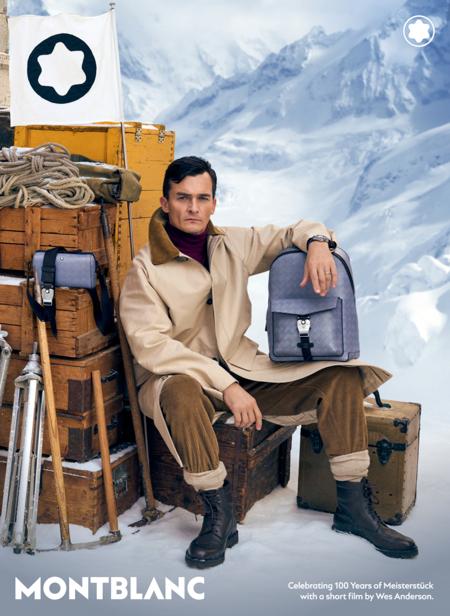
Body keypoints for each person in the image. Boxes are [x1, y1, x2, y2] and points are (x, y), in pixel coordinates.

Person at [119, 156, 418, 569]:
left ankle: (353, 507)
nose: (193, 208)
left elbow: (295, 230)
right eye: (183, 198)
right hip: (179, 379)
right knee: (181, 392)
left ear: (214, 203)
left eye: (202, 198)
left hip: (243, 369)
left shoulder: (232, 243)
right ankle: (219, 514)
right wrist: (225, 385)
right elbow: (152, 346)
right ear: (165, 203)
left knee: (340, 377)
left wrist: (317, 244)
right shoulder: (145, 268)